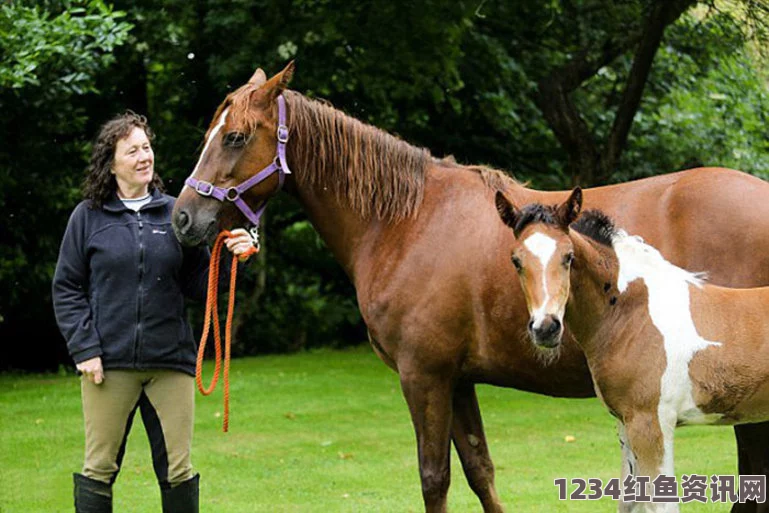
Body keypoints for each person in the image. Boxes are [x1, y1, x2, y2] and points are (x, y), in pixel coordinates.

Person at [52, 111, 254, 513]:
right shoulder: (87, 218)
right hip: (108, 365)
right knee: (98, 469)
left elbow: (201, 284)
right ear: (111, 164)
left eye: (147, 147)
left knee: (178, 471)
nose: (144, 156)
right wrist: (84, 348)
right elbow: (67, 288)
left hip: (171, 364)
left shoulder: (175, 212)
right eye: (132, 151)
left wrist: (234, 260)